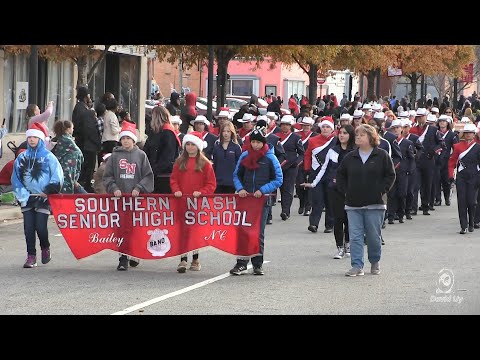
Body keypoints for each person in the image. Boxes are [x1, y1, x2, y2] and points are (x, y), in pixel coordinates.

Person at [336, 124, 396, 276]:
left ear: (371, 137)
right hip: (353, 204)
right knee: (355, 236)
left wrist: (381, 190)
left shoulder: (381, 155)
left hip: (375, 204)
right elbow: (341, 175)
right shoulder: (350, 157)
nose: (358, 137)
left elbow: (391, 175)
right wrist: (346, 191)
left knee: (373, 236)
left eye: (361, 135)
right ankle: (357, 265)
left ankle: (374, 262)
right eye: (357, 135)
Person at [229, 125, 283, 276]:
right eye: (253, 142)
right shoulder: (245, 155)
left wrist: (263, 190)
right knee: (243, 231)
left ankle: (257, 264)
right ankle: (241, 263)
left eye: (259, 142)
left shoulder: (270, 157)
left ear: (263, 143)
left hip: (262, 201)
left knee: (258, 233)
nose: (255, 145)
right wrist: (240, 189)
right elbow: (236, 175)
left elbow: (278, 179)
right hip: (246, 200)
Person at [103, 121, 154, 270]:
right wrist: (113, 188)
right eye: (123, 138)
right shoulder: (114, 157)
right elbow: (107, 176)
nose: (125, 141)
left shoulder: (141, 155)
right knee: (121, 228)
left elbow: (148, 176)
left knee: (135, 228)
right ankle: (122, 258)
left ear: (133, 140)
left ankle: (135, 253)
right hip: (120, 201)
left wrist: (139, 187)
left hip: (136, 201)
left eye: (128, 138)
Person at [11, 124, 64, 268]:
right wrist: (22, 194)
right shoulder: (21, 158)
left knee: (40, 227)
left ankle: (45, 247)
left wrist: (47, 191)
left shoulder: (49, 157)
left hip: (43, 198)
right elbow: (15, 178)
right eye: (29, 137)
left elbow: (58, 177)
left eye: (35, 137)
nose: (31, 140)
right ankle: (31, 256)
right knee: (28, 228)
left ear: (40, 139)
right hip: (27, 198)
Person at [302, 124, 355, 259]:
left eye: (345, 133)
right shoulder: (333, 150)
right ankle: (340, 248)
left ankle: (348, 244)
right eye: (340, 133)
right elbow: (324, 169)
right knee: (338, 218)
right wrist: (313, 183)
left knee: (349, 218)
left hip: (350, 190)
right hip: (335, 189)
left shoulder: (355, 151)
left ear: (351, 135)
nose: (342, 135)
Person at [170, 131, 217, 273]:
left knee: (195, 231)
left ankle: (195, 258)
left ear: (198, 146)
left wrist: (202, 192)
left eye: (193, 144)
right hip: (182, 202)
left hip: (197, 204)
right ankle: (183, 259)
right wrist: (176, 190)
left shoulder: (205, 164)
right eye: (188, 144)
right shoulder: (179, 162)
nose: (190, 147)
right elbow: (173, 179)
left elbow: (211, 184)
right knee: (182, 230)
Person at [448, 123, 480, 234]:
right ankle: (463, 226)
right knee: (462, 202)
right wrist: (451, 176)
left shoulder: (478, 147)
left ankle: (471, 222)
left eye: (470, 133)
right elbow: (452, 162)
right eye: (466, 133)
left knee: (472, 202)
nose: (468, 135)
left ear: (474, 134)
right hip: (461, 176)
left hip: (474, 176)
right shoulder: (457, 146)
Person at [143, 105, 181, 194]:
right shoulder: (154, 132)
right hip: (153, 173)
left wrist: (153, 170)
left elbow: (168, 157)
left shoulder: (168, 133)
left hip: (163, 175)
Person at [51, 120, 85, 194]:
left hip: (60, 173)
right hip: (69, 172)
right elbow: (79, 154)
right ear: (68, 129)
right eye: (72, 128)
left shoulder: (58, 141)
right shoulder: (68, 141)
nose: (73, 130)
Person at [212, 122, 242, 194]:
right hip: (218, 182)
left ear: (231, 132)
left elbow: (240, 165)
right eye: (224, 131)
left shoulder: (236, 147)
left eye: (228, 131)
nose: (226, 133)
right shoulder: (217, 147)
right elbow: (214, 164)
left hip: (231, 182)